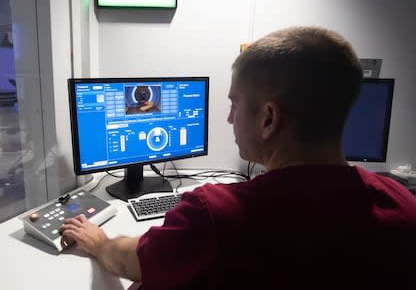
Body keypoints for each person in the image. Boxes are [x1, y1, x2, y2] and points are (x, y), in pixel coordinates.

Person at [60, 26, 416, 289]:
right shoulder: (404, 206)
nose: (229, 119)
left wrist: (102, 243)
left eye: (234, 105)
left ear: (268, 119)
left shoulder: (216, 215)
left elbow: (133, 261)